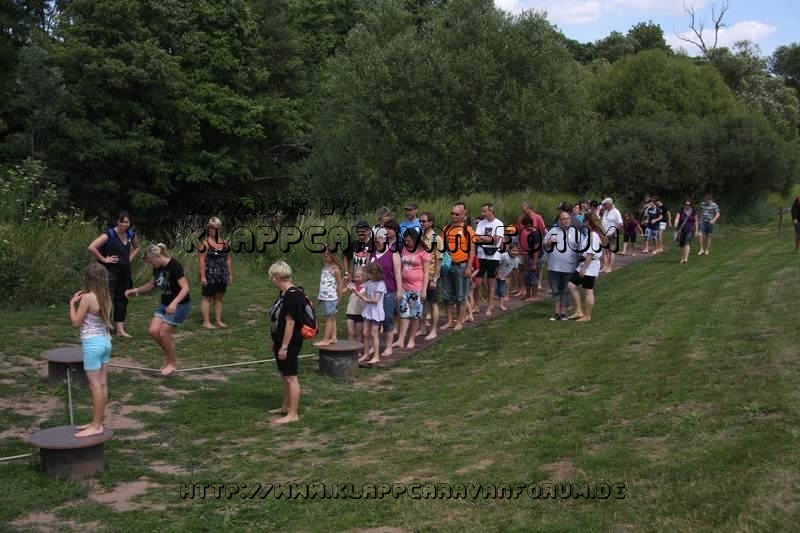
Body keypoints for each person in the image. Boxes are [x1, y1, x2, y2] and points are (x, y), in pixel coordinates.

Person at [125, 244, 190, 376]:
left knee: (164, 334)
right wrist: (136, 291)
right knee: (153, 331)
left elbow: (185, 288)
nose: (150, 265)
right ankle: (169, 355)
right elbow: (153, 284)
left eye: (151, 262)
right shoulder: (158, 267)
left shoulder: (174, 266)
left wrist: (174, 303)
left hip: (179, 305)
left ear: (158, 257)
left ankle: (171, 363)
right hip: (164, 305)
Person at [69, 263, 112, 438]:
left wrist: (72, 304)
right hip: (105, 342)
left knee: (95, 386)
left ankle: (96, 425)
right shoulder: (106, 297)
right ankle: (98, 422)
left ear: (87, 278)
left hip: (92, 345)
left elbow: (75, 322)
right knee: (102, 384)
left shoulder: (87, 298)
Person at [87, 211, 140, 337]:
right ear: (118, 221)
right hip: (109, 272)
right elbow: (92, 247)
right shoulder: (109, 234)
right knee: (107, 299)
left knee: (123, 298)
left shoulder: (130, 234)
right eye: (122, 222)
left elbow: (137, 247)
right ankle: (105, 328)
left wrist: (129, 259)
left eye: (127, 222)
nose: (124, 224)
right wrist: (104, 259)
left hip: (124, 272)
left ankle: (120, 329)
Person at [266, 260, 303, 424]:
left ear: (277, 276)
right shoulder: (283, 294)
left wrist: (284, 347)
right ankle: (286, 406)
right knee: (284, 375)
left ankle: (293, 413)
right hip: (280, 340)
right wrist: (274, 340)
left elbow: (290, 322)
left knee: (291, 377)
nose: (271, 280)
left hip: (290, 342)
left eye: (272, 276)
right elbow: (277, 318)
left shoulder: (293, 295)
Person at [440, 202, 476, 331]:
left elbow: (472, 250)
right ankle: (449, 321)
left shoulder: (468, 230)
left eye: (457, 214)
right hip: (447, 266)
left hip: (461, 265)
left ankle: (460, 321)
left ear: (463, 215)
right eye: (452, 213)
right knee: (447, 295)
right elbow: (441, 247)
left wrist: (468, 267)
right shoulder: (446, 228)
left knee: (461, 296)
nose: (454, 216)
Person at [394, 228, 430, 349]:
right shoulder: (404, 249)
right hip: (404, 287)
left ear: (415, 240)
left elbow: (426, 272)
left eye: (409, 240)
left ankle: (411, 339)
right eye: (405, 240)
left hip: (416, 288)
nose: (406, 242)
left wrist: (424, 290)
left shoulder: (423, 252)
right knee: (404, 314)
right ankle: (400, 339)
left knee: (415, 315)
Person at [567, 213, 607, 322]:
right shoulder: (591, 234)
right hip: (584, 264)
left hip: (589, 266)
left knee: (588, 291)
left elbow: (590, 254)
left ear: (588, 222)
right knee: (571, 285)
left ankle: (587, 316)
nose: (583, 222)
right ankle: (579, 311)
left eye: (584, 220)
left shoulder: (593, 235)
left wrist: (584, 269)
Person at [370, 227, 402, 356]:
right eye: (375, 241)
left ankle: (389, 346)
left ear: (384, 239)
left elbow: (398, 273)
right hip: (374, 290)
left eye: (378, 241)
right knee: (374, 320)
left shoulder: (393, 253)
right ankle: (374, 345)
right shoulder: (372, 253)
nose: (376, 243)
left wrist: (399, 290)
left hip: (388, 290)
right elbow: (368, 270)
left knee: (387, 318)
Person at [545, 211, 582, 321]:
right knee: (556, 290)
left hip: (569, 267)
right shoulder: (553, 231)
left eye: (568, 218)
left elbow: (582, 248)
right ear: (559, 221)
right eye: (563, 219)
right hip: (554, 266)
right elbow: (545, 246)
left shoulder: (575, 233)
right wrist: (549, 243)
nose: (566, 220)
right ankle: (556, 312)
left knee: (566, 290)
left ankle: (564, 312)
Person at [198, 216, 233, 329]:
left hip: (222, 274)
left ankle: (218, 321)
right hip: (210, 274)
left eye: (216, 228)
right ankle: (206, 322)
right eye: (211, 228)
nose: (214, 230)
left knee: (219, 298)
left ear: (220, 228)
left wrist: (230, 274)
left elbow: (228, 259)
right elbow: (201, 261)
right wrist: (203, 276)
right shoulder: (205, 243)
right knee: (207, 297)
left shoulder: (224, 243)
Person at [474, 203, 504, 316]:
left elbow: (495, 240)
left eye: (485, 211)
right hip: (481, 255)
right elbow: (476, 238)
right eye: (482, 212)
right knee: (478, 282)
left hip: (493, 256)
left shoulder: (499, 224)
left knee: (491, 282)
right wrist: (486, 238)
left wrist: (483, 238)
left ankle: (489, 307)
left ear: (491, 211)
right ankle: (476, 305)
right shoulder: (481, 223)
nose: (483, 213)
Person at [315, 245, 345, 346]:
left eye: (326, 256)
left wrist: (339, 298)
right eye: (323, 256)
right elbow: (323, 283)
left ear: (333, 256)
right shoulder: (325, 266)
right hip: (324, 297)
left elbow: (340, 284)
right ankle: (334, 337)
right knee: (332, 317)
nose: (324, 258)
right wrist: (320, 296)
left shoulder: (335, 269)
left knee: (328, 318)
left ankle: (326, 339)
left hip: (331, 297)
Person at [358, 262, 386, 365]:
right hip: (368, 311)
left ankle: (376, 356)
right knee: (365, 333)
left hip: (376, 312)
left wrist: (363, 297)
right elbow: (363, 290)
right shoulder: (369, 283)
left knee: (374, 333)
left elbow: (376, 300)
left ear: (374, 273)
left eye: (368, 273)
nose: (366, 275)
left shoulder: (381, 284)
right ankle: (366, 354)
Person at [419, 211, 442, 340]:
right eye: (420, 221)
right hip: (420, 276)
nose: (422, 223)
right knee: (421, 303)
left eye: (424, 221)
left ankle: (433, 330)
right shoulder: (420, 238)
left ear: (431, 222)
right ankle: (422, 328)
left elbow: (439, 260)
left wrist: (435, 279)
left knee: (433, 303)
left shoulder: (437, 239)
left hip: (431, 275)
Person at [344, 267, 366, 345]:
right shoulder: (351, 284)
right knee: (350, 333)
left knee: (358, 334)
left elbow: (366, 297)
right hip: (350, 312)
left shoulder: (366, 287)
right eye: (355, 277)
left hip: (361, 313)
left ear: (364, 277)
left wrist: (356, 292)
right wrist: (342, 282)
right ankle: (350, 350)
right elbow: (342, 291)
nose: (356, 279)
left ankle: (357, 351)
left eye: (358, 277)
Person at [600, 198, 623, 272]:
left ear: (609, 204)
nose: (604, 206)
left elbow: (620, 224)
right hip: (604, 234)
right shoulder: (606, 211)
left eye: (605, 204)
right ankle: (605, 267)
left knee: (611, 251)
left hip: (611, 234)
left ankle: (610, 267)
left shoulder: (616, 212)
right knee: (605, 251)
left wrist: (614, 232)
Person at [674, 198, 700, 264]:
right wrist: (675, 223)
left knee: (687, 242)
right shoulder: (681, 211)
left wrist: (696, 231)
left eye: (689, 204)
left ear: (691, 205)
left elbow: (696, 221)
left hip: (690, 229)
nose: (687, 206)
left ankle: (686, 258)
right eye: (686, 204)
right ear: (684, 204)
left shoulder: (693, 211)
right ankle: (682, 258)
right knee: (681, 244)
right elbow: (677, 218)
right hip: (681, 230)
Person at [496, 242, 520, 310]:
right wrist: (498, 273)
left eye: (516, 251)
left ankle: (501, 305)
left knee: (501, 291)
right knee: (494, 289)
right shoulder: (504, 256)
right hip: (497, 275)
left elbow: (514, 269)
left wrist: (508, 276)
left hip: (504, 277)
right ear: (509, 250)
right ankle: (491, 304)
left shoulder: (517, 260)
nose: (515, 252)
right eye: (513, 250)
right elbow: (498, 264)